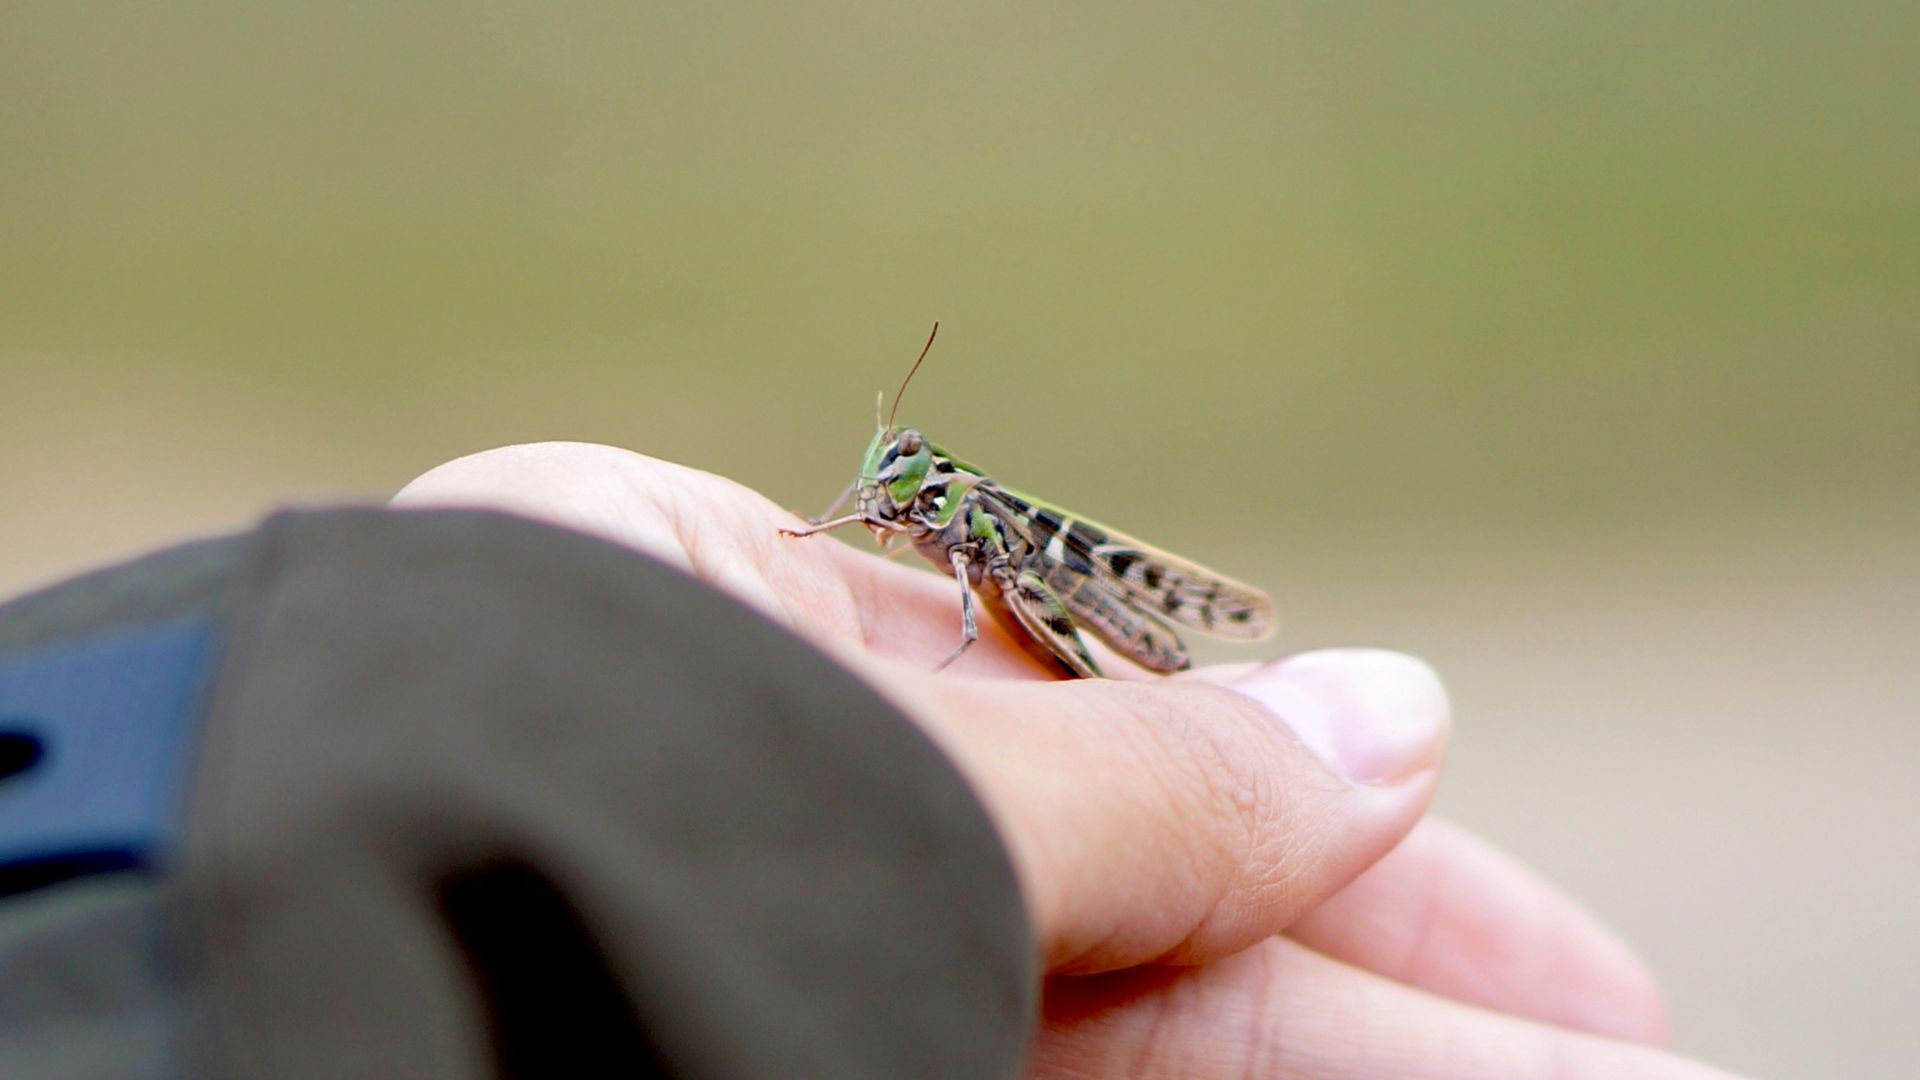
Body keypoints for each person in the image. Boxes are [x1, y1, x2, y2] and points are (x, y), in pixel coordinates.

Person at [0, 441, 1751, 1078]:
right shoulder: (892, 515)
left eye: (896, 489)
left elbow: (980, 582)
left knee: (1052, 603)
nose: (889, 501)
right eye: (885, 490)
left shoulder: (958, 519)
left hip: (1088, 606)